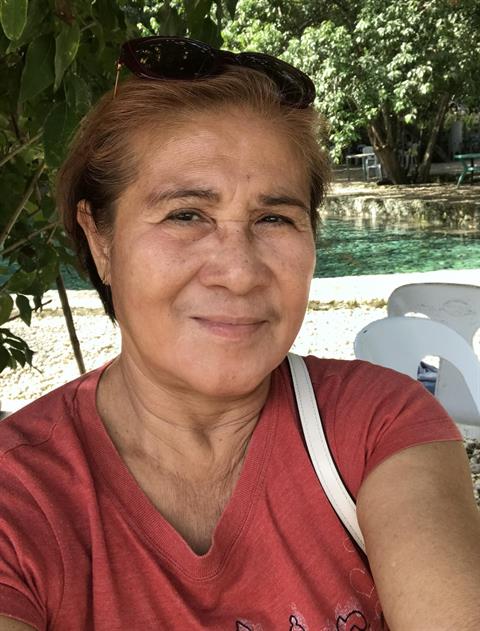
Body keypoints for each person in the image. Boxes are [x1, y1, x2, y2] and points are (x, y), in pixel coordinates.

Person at [0, 36, 479, 631]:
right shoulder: (20, 493)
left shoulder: (378, 425)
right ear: (100, 240)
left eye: (274, 218)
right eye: (185, 215)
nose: (239, 272)